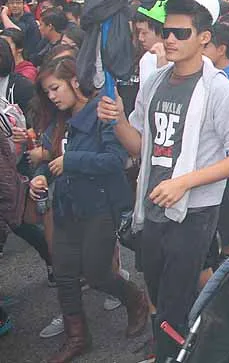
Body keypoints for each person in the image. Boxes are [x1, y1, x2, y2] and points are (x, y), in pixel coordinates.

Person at [96, 0, 229, 362]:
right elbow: (141, 147)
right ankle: (177, 349)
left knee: (174, 303)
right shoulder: (154, 82)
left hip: (194, 212)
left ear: (203, 37)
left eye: (181, 33)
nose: (169, 39)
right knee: (157, 293)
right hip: (151, 204)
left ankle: (177, 353)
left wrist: (184, 182)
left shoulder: (219, 90)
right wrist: (117, 120)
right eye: (166, 31)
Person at [31, 57, 149, 362]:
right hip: (66, 208)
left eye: (55, 88)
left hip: (100, 206)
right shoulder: (58, 120)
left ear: (74, 81)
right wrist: (40, 177)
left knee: (97, 273)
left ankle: (135, 299)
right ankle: (77, 338)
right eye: (47, 92)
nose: (52, 96)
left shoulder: (101, 112)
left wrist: (72, 161)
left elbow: (115, 160)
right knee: (64, 274)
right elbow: (50, 159)